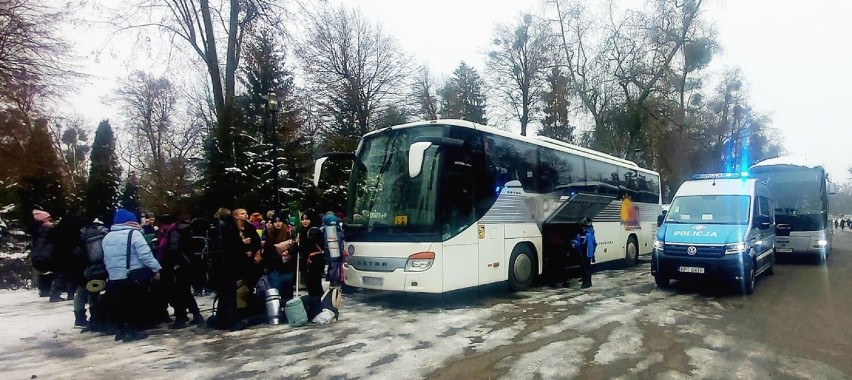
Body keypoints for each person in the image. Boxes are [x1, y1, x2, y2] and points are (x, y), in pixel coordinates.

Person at [102, 208, 162, 342]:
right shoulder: (134, 234)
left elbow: (106, 258)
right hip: (133, 274)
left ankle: (121, 331)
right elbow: (145, 255)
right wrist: (156, 269)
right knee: (133, 304)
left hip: (115, 276)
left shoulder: (107, 236)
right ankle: (131, 331)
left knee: (120, 304)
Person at [29, 209, 54, 298]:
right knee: (49, 272)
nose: (50, 219)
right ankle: (48, 290)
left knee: (42, 273)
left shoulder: (36, 230)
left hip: (36, 256)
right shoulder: (47, 228)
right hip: (46, 254)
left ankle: (43, 290)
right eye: (48, 218)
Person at [572, 217, 597, 289]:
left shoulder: (587, 233)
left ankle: (587, 283)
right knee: (585, 267)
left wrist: (575, 243)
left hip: (585, 253)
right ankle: (586, 280)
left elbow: (587, 245)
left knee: (586, 267)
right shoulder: (589, 232)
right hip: (585, 253)